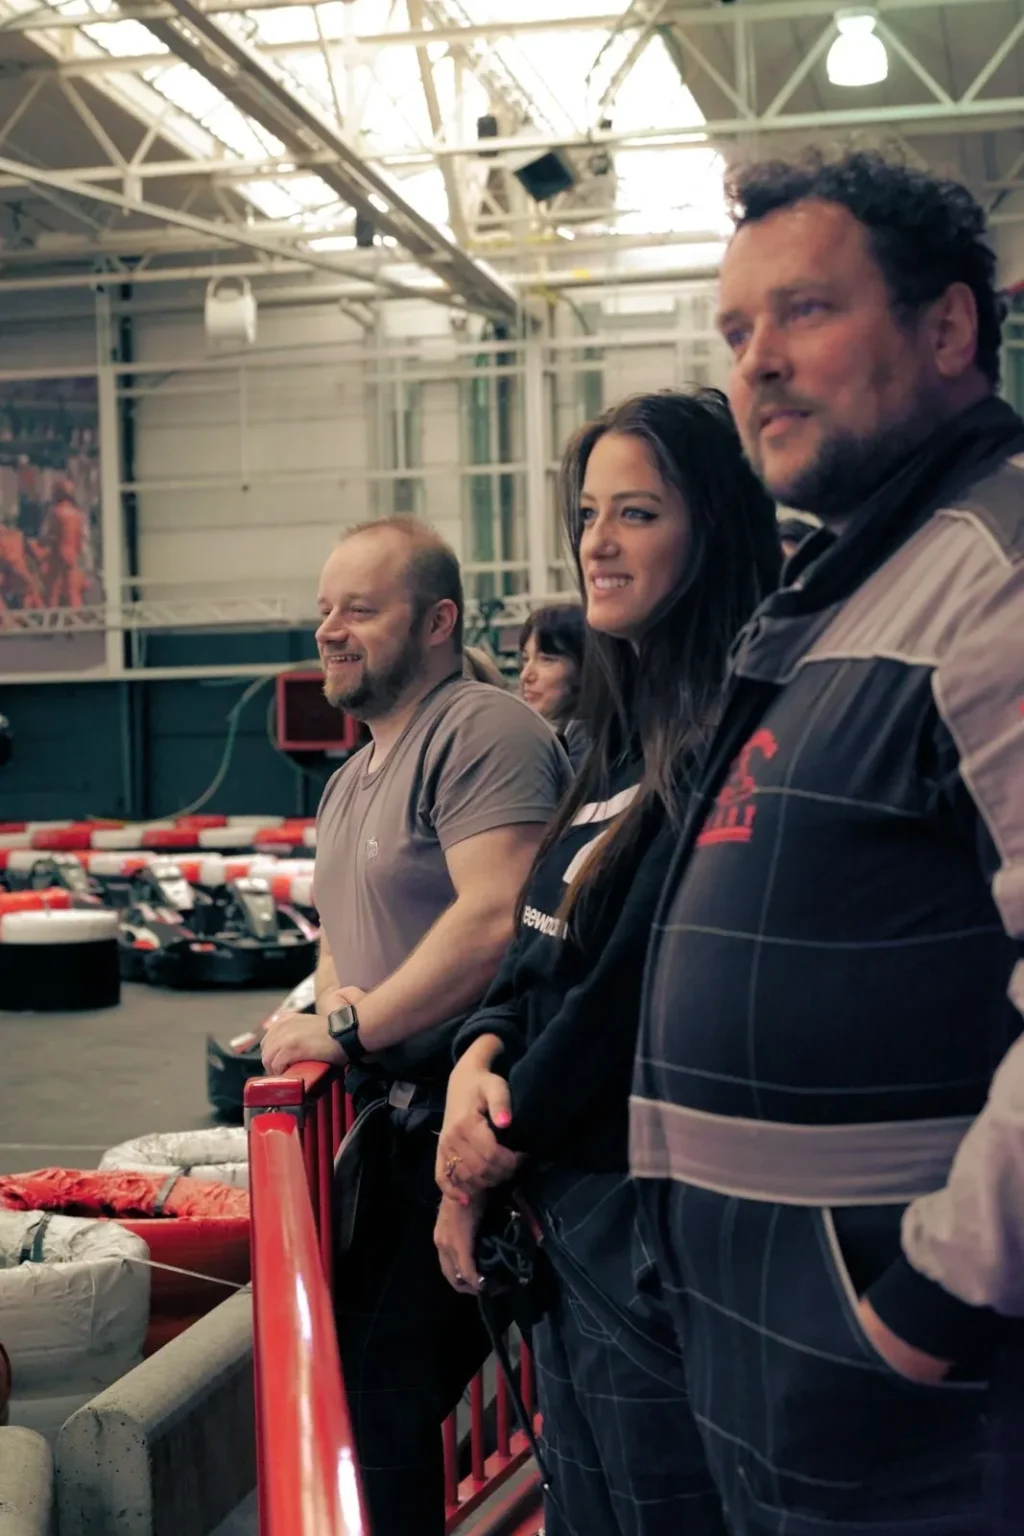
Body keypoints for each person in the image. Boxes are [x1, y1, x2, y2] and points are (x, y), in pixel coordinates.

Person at [631, 151, 1024, 1535]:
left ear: (948, 328)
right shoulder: (847, 582)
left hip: (919, 1391)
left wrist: (929, 1301)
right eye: (738, 333)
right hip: (780, 1353)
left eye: (804, 313)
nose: (758, 365)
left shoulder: (998, 570)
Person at [432, 391, 781, 1536]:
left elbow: (630, 985)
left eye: (636, 511)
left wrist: (489, 1145)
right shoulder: (611, 743)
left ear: (714, 530)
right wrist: (477, 1053)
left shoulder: (734, 732)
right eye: (588, 511)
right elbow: (538, 953)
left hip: (643, 1236)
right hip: (560, 1216)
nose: (597, 541)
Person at [260, 515, 570, 1536]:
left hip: (482, 1124)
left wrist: (349, 1030)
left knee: (385, 1397)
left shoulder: (482, 729)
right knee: (356, 1391)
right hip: (394, 1133)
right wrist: (322, 1010)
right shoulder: (351, 779)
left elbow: (494, 918)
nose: (330, 631)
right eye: (322, 611)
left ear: (438, 620)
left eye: (360, 608)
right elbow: (344, 937)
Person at [518, 603, 587, 767]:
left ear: (583, 667)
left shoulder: (588, 740)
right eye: (525, 659)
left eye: (546, 660)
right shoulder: (566, 735)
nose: (526, 675)